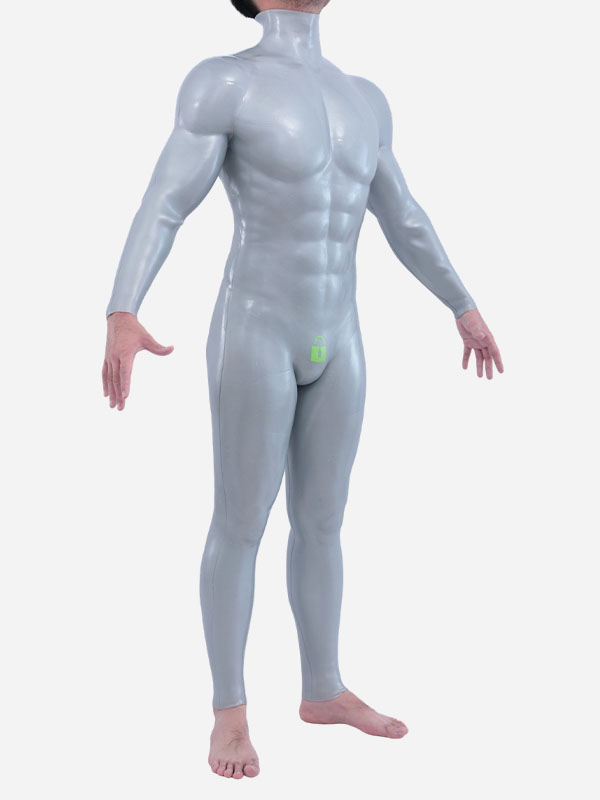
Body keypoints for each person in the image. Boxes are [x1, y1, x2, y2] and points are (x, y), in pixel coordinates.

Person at [102, 0, 504, 780]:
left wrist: (462, 303)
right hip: (257, 326)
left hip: (339, 334)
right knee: (241, 522)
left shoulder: (365, 98)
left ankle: (323, 689)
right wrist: (124, 309)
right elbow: (166, 201)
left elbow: (404, 216)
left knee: (323, 522)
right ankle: (229, 714)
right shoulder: (225, 83)